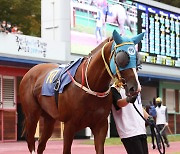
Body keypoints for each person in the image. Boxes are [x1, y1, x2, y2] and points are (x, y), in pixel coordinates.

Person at [111, 82, 153, 154]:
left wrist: (148, 117)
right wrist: (128, 99)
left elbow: (139, 106)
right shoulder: (115, 88)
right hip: (129, 131)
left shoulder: (134, 86)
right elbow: (119, 103)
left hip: (141, 129)